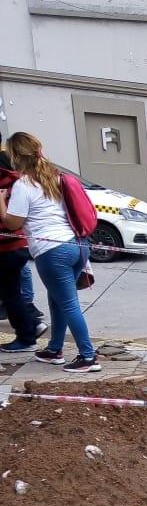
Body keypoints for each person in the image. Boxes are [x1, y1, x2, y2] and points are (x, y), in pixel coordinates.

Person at [0, 132, 101, 372]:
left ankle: (88, 357)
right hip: (76, 245)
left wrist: (1, 202)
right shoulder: (54, 177)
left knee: (68, 304)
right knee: (57, 300)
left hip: (51, 251)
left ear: (15, 156)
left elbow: (13, 223)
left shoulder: (23, 185)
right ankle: (54, 349)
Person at [0, 136, 47, 352]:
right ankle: (32, 325)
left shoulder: (13, 184)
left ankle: (27, 335)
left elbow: (9, 221)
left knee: (10, 294)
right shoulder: (17, 179)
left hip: (7, 246)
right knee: (12, 292)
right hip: (19, 245)